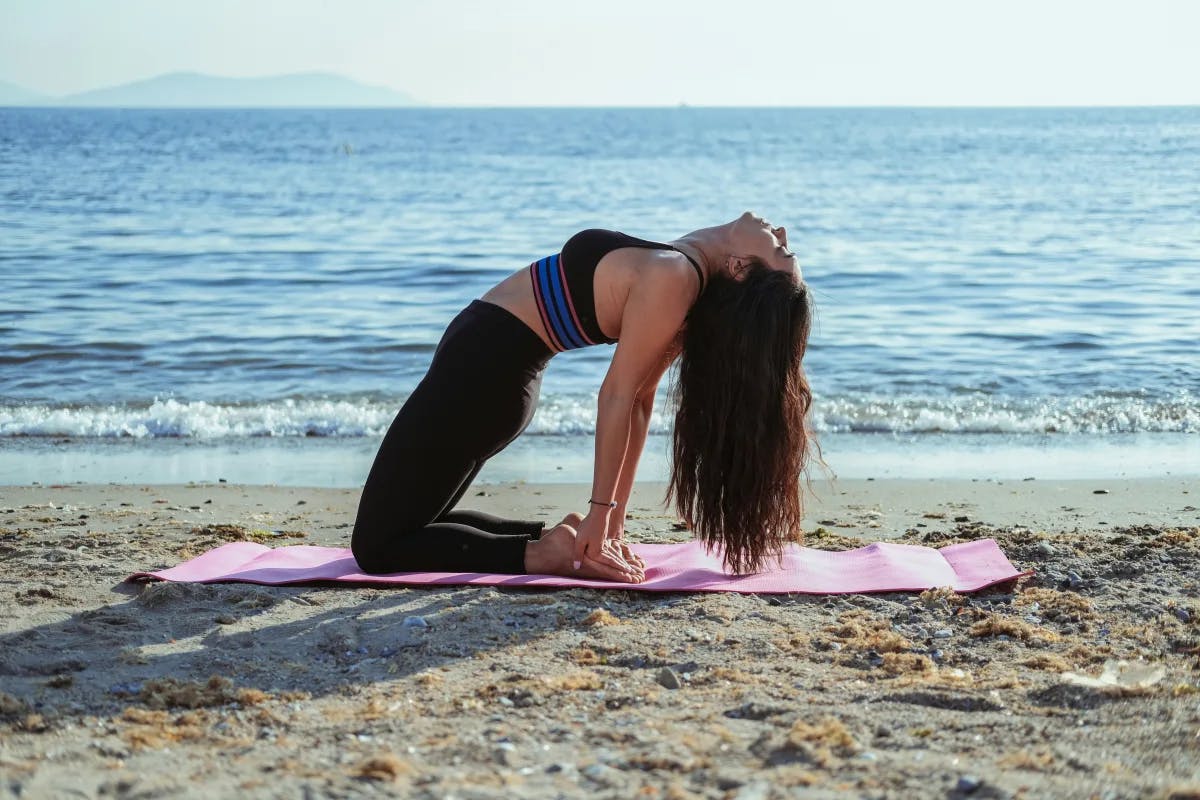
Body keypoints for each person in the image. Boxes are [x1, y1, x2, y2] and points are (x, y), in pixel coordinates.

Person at [351, 212, 815, 584]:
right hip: (489, 380)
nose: (781, 232)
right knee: (418, 520)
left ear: (738, 267)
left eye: (781, 250)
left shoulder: (675, 278)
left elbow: (621, 398)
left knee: (377, 548)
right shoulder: (684, 272)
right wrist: (608, 523)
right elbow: (638, 402)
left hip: (481, 377)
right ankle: (556, 539)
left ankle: (543, 553)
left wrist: (604, 513)